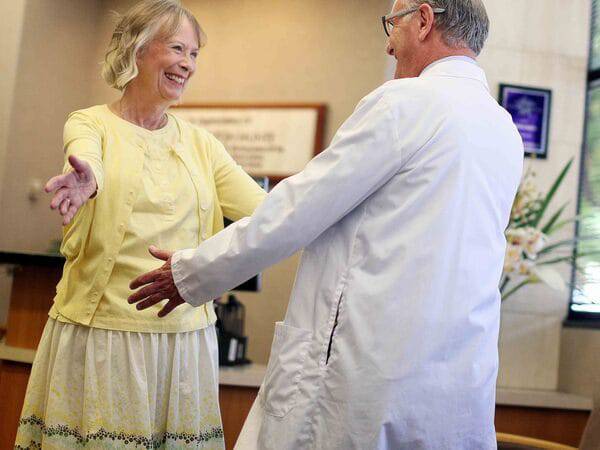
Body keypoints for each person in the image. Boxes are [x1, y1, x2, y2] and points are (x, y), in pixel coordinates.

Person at [129, 0, 524, 448]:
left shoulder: (407, 102)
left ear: (424, 19)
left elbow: (300, 208)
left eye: (391, 25)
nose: (389, 46)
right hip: (454, 383)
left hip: (366, 374)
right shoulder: (503, 128)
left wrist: (193, 273)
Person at [15, 1, 266, 448]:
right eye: (177, 48)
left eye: (194, 54)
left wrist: (333, 197)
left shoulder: (202, 144)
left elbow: (267, 209)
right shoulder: (92, 123)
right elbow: (86, 153)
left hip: (183, 340)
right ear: (137, 49)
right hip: (104, 336)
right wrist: (87, 178)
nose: (188, 64)